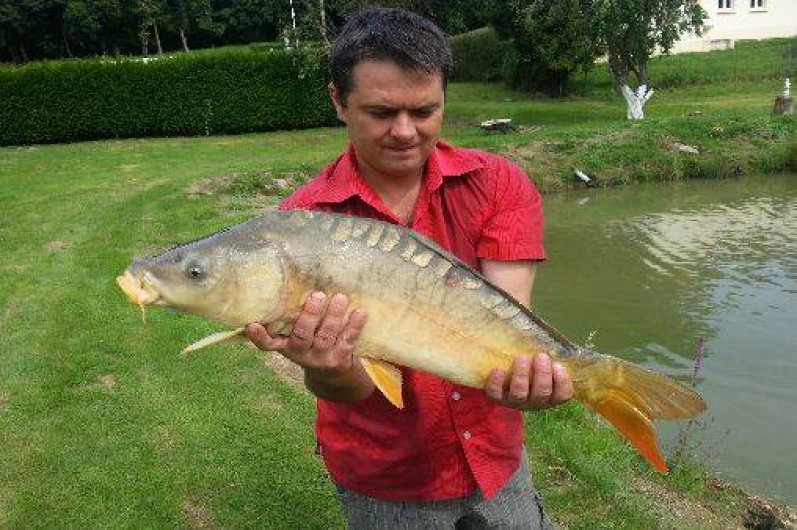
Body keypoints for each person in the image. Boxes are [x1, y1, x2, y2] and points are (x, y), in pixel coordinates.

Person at [244, 7, 574, 529]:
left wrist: (531, 375)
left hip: (497, 461)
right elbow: (347, 392)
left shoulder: (499, 184)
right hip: (384, 478)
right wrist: (326, 368)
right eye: (380, 113)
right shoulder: (299, 231)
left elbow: (508, 323)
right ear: (339, 102)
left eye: (424, 111)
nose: (404, 132)